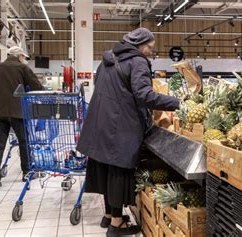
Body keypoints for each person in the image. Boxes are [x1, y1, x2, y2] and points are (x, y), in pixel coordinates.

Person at [77, 28, 180, 236]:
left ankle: (108, 216)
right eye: (149, 47)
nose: (150, 51)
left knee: (106, 169)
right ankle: (117, 226)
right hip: (121, 126)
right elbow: (144, 96)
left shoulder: (108, 58)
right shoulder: (138, 61)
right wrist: (176, 102)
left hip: (100, 122)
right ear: (140, 45)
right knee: (119, 171)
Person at [0, 46, 44, 191]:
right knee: (24, 142)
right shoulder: (22, 68)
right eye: (23, 57)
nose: (24, 59)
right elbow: (36, 85)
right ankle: (26, 172)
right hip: (18, 112)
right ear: (19, 56)